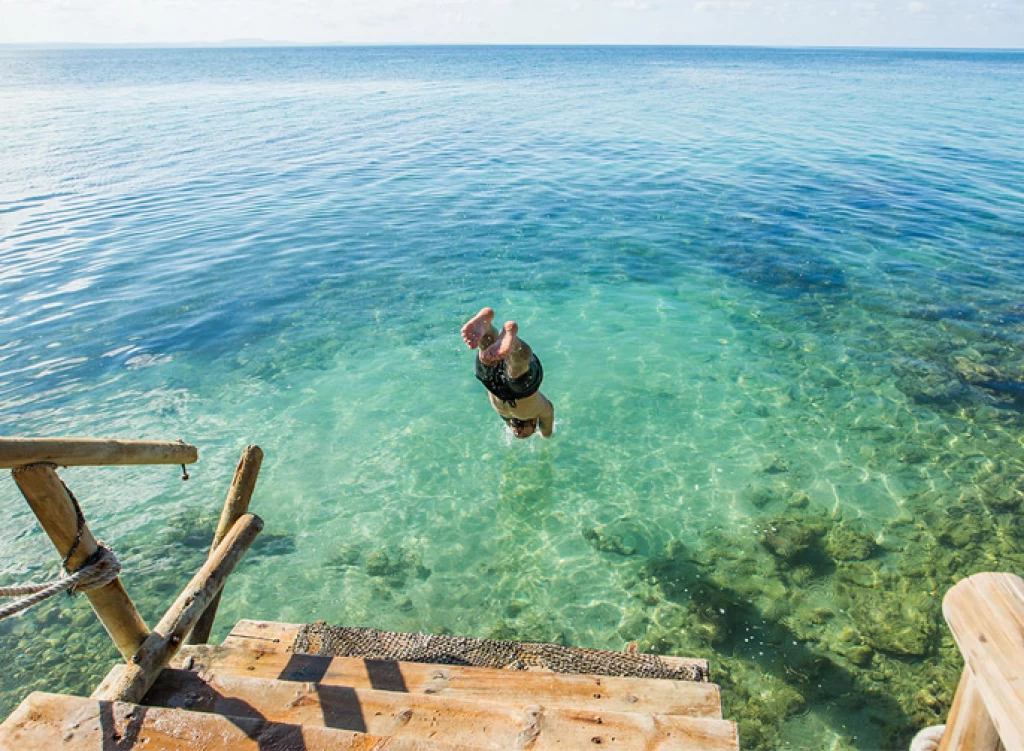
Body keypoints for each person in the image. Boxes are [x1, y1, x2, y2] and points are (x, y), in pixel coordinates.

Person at [461, 307, 555, 439]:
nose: (516, 432)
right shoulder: (542, 410)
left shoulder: (510, 415)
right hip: (520, 391)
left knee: (488, 356)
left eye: (516, 432)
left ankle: (486, 328)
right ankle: (513, 342)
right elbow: (547, 433)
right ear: (534, 422)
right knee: (516, 370)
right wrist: (546, 435)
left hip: (493, 386)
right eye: (522, 430)